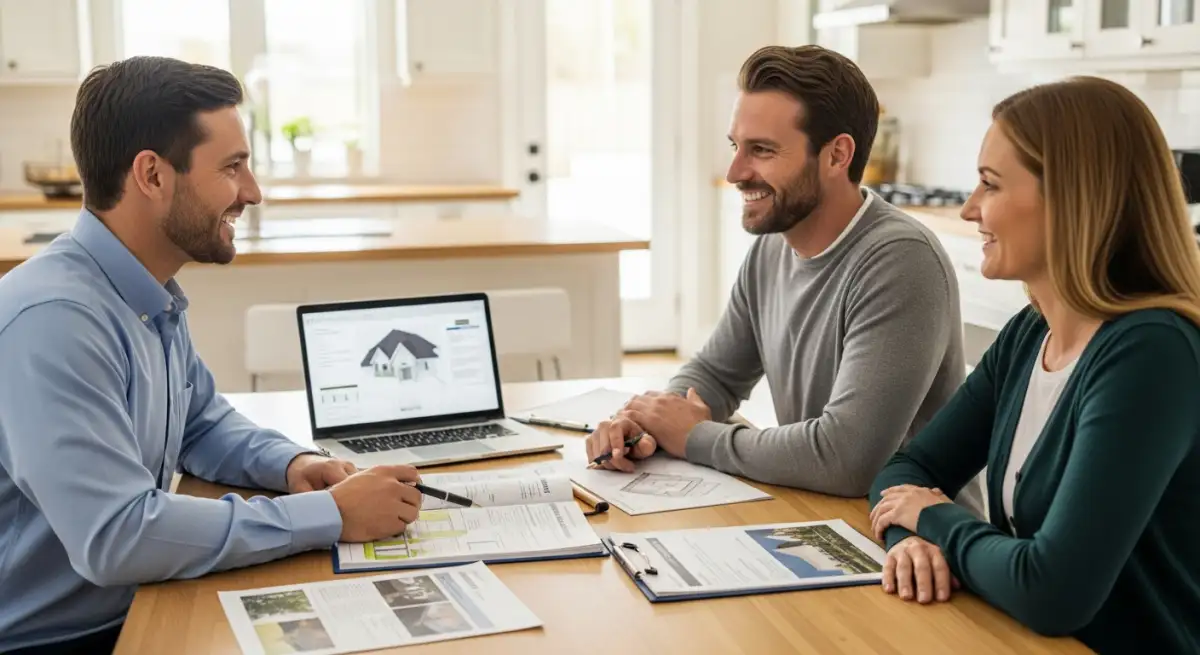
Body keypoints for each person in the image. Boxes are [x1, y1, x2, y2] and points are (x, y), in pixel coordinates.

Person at [0, 57, 424, 654]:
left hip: (137, 603)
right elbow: (117, 536)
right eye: (232, 168)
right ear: (151, 175)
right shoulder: (54, 321)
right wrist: (328, 514)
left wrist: (292, 465)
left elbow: (199, 422)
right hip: (55, 639)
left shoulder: (146, 292)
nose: (252, 192)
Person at [867, 76, 1200, 654]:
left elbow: (1053, 591)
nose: (970, 208)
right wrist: (909, 537)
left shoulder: (1151, 353)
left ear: (1072, 200)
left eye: (990, 185)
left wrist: (938, 522)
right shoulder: (1032, 332)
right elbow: (908, 469)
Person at [584, 45, 984, 512]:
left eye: (762, 151)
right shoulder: (773, 246)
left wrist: (696, 436)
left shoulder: (900, 261)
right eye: (736, 146)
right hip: (824, 515)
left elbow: (845, 458)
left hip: (915, 550)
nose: (735, 172)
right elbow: (715, 374)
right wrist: (645, 422)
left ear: (837, 155)